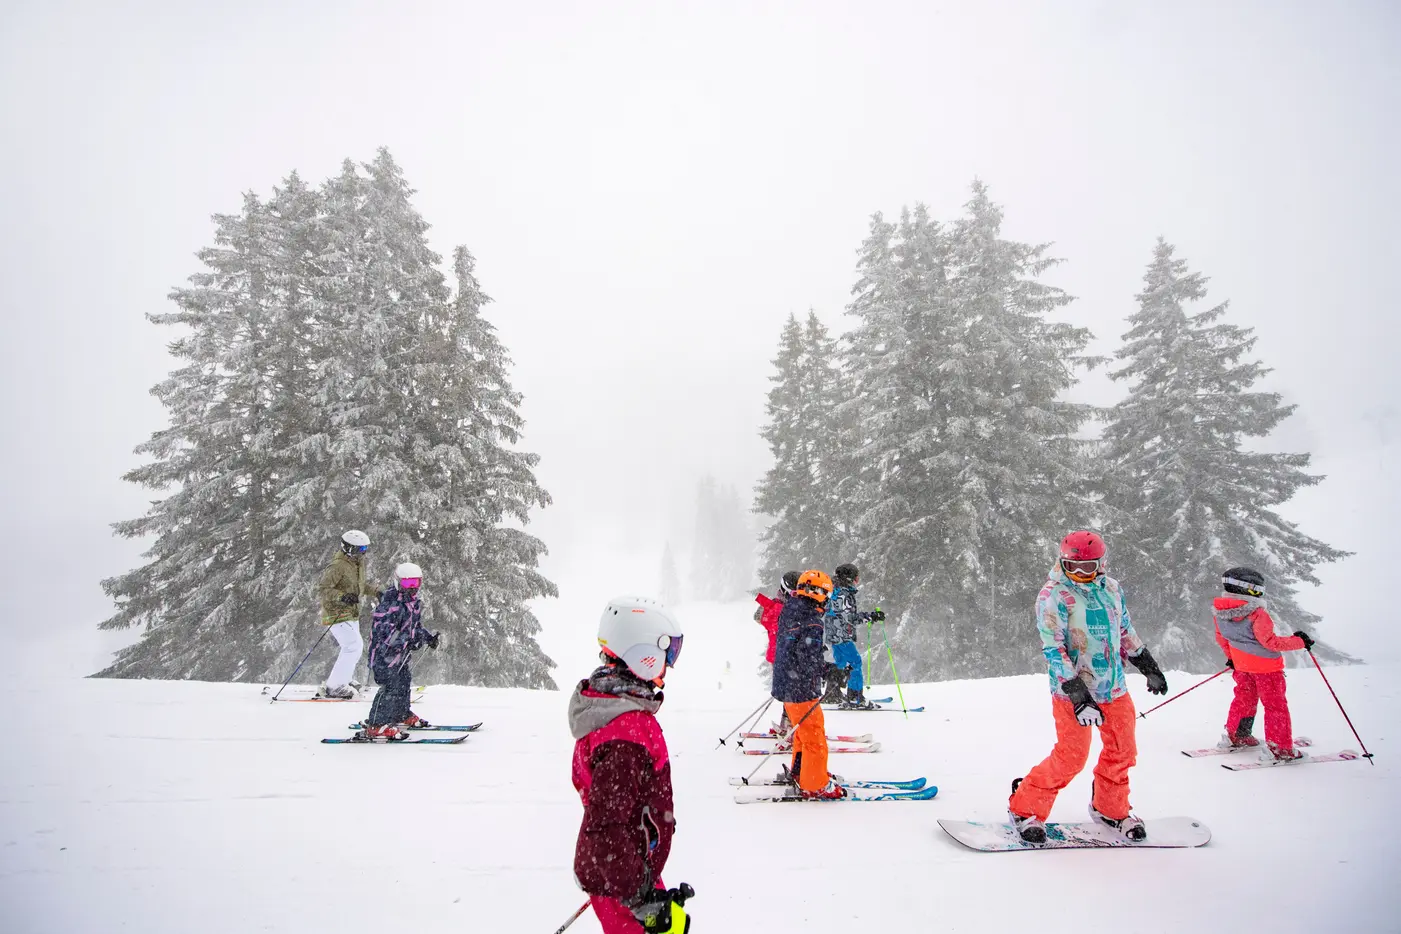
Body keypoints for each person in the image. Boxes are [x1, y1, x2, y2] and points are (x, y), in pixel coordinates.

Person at [1007, 530, 1168, 844]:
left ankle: (1110, 809)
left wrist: (1146, 663)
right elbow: (1053, 648)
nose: (1081, 574)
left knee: (1122, 752)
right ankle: (1025, 808)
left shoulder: (1112, 589)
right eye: (1074, 567)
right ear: (1063, 563)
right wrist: (1078, 693)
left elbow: (1124, 628)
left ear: (1101, 564)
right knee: (1071, 757)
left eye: (1088, 567)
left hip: (1113, 688)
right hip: (1072, 691)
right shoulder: (1053, 595)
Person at [569, 596, 694, 934]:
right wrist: (640, 898)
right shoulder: (626, 734)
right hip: (623, 880)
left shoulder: (614, 709)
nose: (669, 664)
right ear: (644, 654)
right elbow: (607, 826)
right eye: (668, 653)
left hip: (626, 869)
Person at [1214, 567, 1314, 762]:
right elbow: (1271, 643)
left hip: (1242, 667)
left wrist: (1233, 658)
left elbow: (1222, 639)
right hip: (1267, 669)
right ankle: (1280, 749)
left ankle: (1238, 736)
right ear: (1248, 589)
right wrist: (1300, 641)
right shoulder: (1257, 613)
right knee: (1275, 706)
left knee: (1244, 699)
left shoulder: (1220, 613)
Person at [772, 570, 846, 799]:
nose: (827, 600)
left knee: (803, 733)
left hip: (788, 685)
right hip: (801, 687)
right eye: (827, 595)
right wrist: (829, 671)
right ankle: (815, 784)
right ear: (819, 593)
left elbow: (795, 649)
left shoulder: (792, 609)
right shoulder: (811, 620)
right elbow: (807, 658)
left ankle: (803, 771)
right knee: (814, 736)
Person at [356, 562, 439, 741]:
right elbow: (385, 634)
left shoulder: (413, 604)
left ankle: (401, 714)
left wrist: (427, 638)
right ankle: (376, 724)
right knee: (390, 686)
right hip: (383, 656)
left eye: (416, 583)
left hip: (400, 656)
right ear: (398, 582)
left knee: (403, 682)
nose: (412, 588)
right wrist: (407, 641)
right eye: (408, 583)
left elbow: (414, 627)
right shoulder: (389, 605)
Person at [315, 529, 378, 699]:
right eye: (360, 549)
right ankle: (335, 686)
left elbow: (359, 586)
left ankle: (344, 679)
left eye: (365, 549)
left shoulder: (357, 564)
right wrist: (342, 596)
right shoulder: (338, 566)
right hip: (336, 612)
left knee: (352, 647)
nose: (362, 553)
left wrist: (377, 591)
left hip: (351, 612)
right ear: (348, 547)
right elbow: (323, 589)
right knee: (353, 646)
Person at [824, 563, 885, 709]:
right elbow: (849, 617)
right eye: (856, 578)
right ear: (849, 578)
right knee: (854, 663)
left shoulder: (834, 590)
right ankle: (855, 698)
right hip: (842, 635)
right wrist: (869, 617)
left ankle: (832, 693)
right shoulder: (843, 593)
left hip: (834, 633)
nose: (857, 581)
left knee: (841, 663)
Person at [756, 571, 799, 735]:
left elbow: (760, 618)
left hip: (777, 654)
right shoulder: (784, 609)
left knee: (790, 690)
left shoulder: (775, 606)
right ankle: (790, 725)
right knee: (793, 691)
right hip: (785, 654)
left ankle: (787, 722)